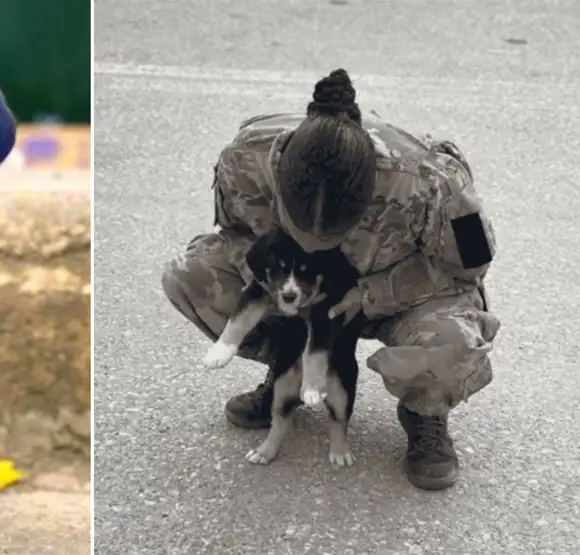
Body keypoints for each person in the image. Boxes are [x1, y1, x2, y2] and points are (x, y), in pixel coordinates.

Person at [161, 68, 500, 490]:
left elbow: (468, 269)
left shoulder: (431, 180)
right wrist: (275, 294)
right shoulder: (246, 158)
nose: (316, 247)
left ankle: (425, 410)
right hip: (299, 296)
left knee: (453, 342)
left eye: (331, 239)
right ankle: (288, 372)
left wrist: (369, 295)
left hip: (398, 297)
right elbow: (235, 237)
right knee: (191, 273)